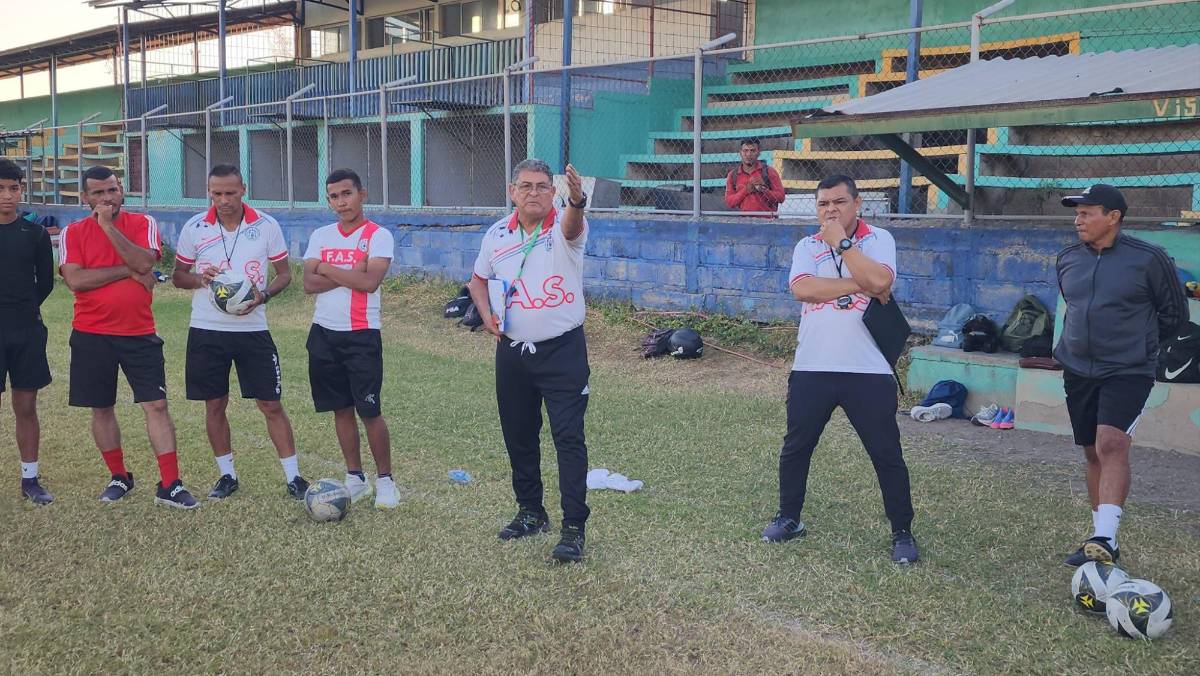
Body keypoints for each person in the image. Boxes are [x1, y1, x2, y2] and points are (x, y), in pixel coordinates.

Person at [761, 175, 918, 564]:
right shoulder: (806, 245)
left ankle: (902, 531)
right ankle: (789, 517)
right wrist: (859, 283)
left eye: (839, 202)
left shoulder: (879, 239)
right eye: (823, 204)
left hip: (868, 369)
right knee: (797, 447)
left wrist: (843, 245)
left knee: (886, 453)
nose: (830, 210)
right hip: (813, 365)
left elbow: (881, 280)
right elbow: (802, 289)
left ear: (857, 204)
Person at [467, 158, 592, 563]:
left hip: (562, 351)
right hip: (513, 352)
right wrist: (486, 315)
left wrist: (577, 200)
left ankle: (573, 526)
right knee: (518, 435)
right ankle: (530, 512)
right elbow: (477, 281)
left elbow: (573, 227)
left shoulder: (563, 226)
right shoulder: (496, 234)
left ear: (552, 192)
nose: (534, 192)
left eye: (542, 186)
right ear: (512, 191)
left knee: (568, 439)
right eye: (526, 186)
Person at [1056, 184, 1188, 566]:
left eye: (1087, 212)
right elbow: (1073, 305)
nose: (1078, 219)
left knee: (1112, 444)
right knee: (1091, 450)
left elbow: (1174, 315)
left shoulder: (1149, 259)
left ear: (1113, 216)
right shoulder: (1067, 259)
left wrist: (1138, 349)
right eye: (1076, 212)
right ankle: (1099, 538)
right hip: (1078, 367)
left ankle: (1105, 538)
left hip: (1128, 370)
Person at [59, 166, 198, 508]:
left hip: (139, 333)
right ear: (84, 198)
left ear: (121, 191)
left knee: (157, 404)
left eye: (112, 190)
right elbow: (76, 281)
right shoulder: (72, 233)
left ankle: (170, 484)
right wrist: (129, 271)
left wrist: (108, 228)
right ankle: (119, 476)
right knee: (101, 407)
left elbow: (144, 260)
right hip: (91, 333)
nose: (107, 198)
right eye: (98, 193)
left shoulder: (143, 224)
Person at [172, 164, 309, 501]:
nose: (223, 200)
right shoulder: (195, 227)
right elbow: (178, 276)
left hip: (253, 329)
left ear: (243, 188)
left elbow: (284, 275)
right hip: (207, 330)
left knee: (271, 404)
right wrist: (201, 279)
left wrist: (263, 296)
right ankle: (227, 475)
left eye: (230, 192)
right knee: (215, 404)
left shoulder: (266, 225)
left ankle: (294, 477)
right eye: (216, 193)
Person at [302, 168, 398, 509]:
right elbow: (308, 283)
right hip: (324, 333)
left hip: (361, 334)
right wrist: (348, 272)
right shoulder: (321, 235)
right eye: (334, 196)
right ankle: (355, 477)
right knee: (340, 409)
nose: (341, 202)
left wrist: (327, 268)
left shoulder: (378, 235)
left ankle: (386, 480)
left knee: (370, 411)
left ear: (362, 194)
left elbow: (370, 283)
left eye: (347, 194)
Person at [0, 159, 54, 505]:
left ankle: (30, 478)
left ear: (22, 189)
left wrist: (22, 310)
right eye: (1, 188)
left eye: (13, 188)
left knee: (26, 405)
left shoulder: (34, 234)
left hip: (25, 330)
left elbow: (45, 283)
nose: (7, 196)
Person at [724, 137, 785, 216]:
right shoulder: (733, 175)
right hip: (744, 221)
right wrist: (746, 190)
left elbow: (781, 198)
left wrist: (764, 190)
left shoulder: (769, 172)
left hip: (767, 221)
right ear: (740, 153)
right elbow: (729, 202)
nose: (749, 154)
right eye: (745, 151)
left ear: (759, 152)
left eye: (752, 150)